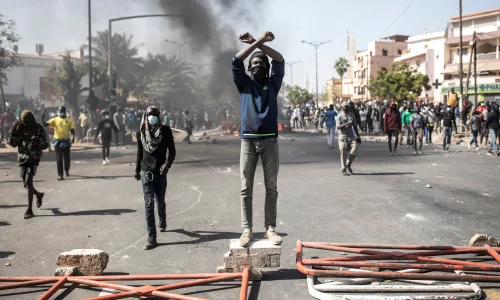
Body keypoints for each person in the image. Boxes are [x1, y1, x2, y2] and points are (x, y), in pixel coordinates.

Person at [233, 31, 284, 247]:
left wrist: (260, 45)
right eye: (253, 62)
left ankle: (270, 228)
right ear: (249, 68)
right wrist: (256, 42)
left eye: (260, 62)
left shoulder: (273, 84)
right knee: (246, 187)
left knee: (271, 186)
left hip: (270, 140)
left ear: (266, 67)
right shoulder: (244, 84)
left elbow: (279, 59)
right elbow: (236, 60)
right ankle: (247, 229)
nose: (257, 65)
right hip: (248, 141)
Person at [134, 106, 176, 250]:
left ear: (159, 116)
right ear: (145, 116)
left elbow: (172, 151)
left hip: (161, 172)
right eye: (150, 115)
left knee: (160, 200)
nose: (152, 117)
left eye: (155, 115)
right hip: (146, 172)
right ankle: (151, 236)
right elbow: (140, 152)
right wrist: (137, 170)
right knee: (148, 203)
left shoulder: (165, 131)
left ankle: (162, 220)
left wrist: (167, 165)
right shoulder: (141, 132)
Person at [7, 110, 49, 219]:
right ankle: (39, 195)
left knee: (29, 181)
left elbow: (45, 145)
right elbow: (12, 143)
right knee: (25, 184)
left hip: (34, 157)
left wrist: (37, 140)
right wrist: (13, 130)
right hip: (22, 157)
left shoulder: (38, 128)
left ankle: (29, 210)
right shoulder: (18, 127)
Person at [42, 106, 75, 181]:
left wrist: (73, 138)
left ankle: (66, 170)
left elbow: (72, 131)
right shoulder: (54, 119)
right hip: (58, 141)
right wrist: (42, 117)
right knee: (59, 159)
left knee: (67, 158)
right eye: (60, 111)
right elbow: (45, 124)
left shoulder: (69, 120)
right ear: (58, 112)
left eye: (62, 111)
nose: (61, 113)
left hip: (66, 141)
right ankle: (60, 175)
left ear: (65, 112)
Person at [336, 102, 361, 176]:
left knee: (355, 150)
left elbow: (355, 126)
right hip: (342, 137)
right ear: (342, 108)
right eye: (345, 106)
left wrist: (358, 136)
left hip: (351, 136)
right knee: (343, 153)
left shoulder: (351, 115)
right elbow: (338, 127)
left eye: (347, 106)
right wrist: (347, 124)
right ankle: (343, 169)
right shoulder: (339, 116)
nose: (346, 108)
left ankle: (348, 163)